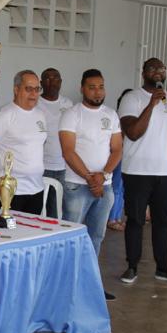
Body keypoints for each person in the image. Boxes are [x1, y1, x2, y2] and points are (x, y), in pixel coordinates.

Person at [117, 57, 167, 285]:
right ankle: (132, 267)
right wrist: (151, 105)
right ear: (144, 72)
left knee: (162, 222)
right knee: (136, 220)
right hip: (137, 171)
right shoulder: (131, 99)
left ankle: (163, 268)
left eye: (161, 68)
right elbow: (133, 132)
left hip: (165, 173)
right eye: (152, 68)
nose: (158, 72)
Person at [59, 70, 122, 301]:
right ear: (82, 88)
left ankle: (91, 284)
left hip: (104, 187)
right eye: (92, 87)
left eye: (101, 87)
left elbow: (117, 149)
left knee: (96, 236)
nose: (98, 92)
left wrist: (103, 175)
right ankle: (67, 287)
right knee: (71, 237)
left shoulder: (111, 114)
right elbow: (68, 151)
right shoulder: (72, 114)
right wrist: (89, 177)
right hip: (77, 186)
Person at [0, 70, 48, 215]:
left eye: (37, 89)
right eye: (28, 89)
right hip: (9, 191)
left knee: (31, 235)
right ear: (16, 89)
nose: (34, 94)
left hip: (36, 188)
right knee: (8, 235)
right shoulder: (2, 117)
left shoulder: (40, 115)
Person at [36, 68, 74, 217]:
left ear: (61, 82)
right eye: (47, 78)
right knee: (42, 207)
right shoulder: (35, 103)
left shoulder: (68, 103)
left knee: (60, 209)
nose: (52, 82)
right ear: (41, 83)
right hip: (42, 165)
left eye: (56, 78)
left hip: (65, 166)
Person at [106, 88, 134, 232]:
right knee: (116, 187)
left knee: (122, 188)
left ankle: (117, 217)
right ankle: (111, 219)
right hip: (118, 155)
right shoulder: (118, 118)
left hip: (127, 156)